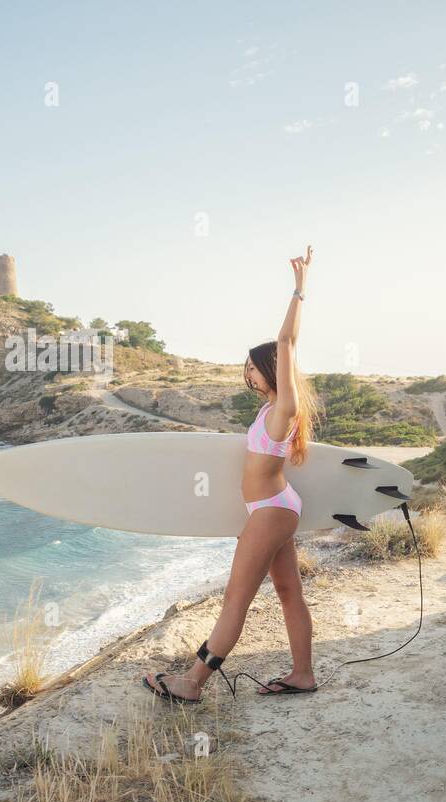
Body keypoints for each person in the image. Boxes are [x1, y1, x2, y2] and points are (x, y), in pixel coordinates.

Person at [144, 247, 320, 701]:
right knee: (287, 594)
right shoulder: (268, 410)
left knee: (235, 600)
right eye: (245, 366)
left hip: (271, 512)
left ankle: (191, 683)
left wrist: (298, 291)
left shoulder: (285, 408)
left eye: (253, 366)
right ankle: (303, 674)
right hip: (276, 507)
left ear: (272, 370)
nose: (247, 373)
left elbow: (286, 345)